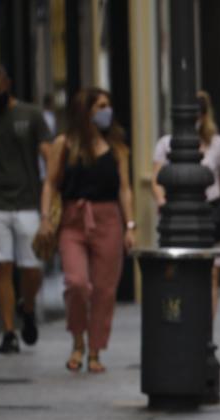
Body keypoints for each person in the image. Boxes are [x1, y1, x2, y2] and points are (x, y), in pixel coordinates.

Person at [36, 87, 135, 373]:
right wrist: (45, 218)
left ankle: (95, 351)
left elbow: (125, 189)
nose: (107, 111)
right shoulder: (63, 144)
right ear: (86, 111)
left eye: (108, 105)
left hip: (108, 220)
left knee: (104, 289)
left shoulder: (117, 148)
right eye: (101, 106)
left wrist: (130, 226)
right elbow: (51, 183)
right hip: (72, 219)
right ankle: (77, 341)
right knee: (77, 283)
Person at [0, 64, 53, 354]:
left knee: (33, 267)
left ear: (7, 83)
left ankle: (26, 307)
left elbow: (47, 150)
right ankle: (8, 332)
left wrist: (54, 183)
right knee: (1, 266)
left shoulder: (30, 115)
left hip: (27, 200)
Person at [152, 90, 220, 313]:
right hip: (176, 214)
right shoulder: (166, 144)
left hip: (210, 212)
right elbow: (156, 177)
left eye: (197, 115)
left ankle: (206, 330)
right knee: (177, 271)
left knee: (211, 272)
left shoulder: (218, 144)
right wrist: (162, 201)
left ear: (205, 116)